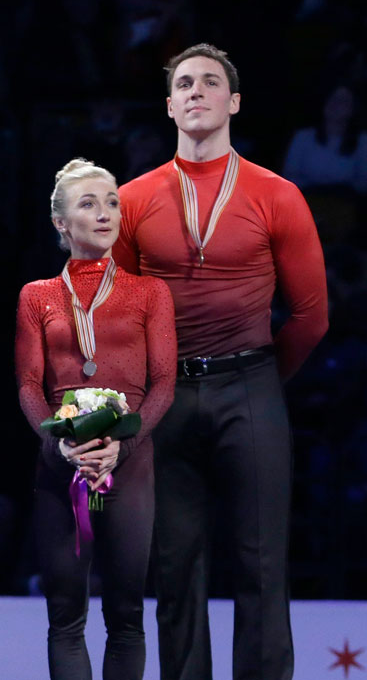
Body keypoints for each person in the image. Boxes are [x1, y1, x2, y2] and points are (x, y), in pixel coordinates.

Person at [113, 44, 328, 680]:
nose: (197, 90)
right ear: (170, 104)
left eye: (211, 82)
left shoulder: (278, 195)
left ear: (233, 102)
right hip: (167, 397)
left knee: (261, 563)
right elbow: (115, 318)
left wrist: (256, 380)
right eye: (184, 83)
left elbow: (312, 316)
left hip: (251, 384)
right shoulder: (132, 199)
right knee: (176, 567)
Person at [16, 158, 177, 679]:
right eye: (89, 204)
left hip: (130, 468)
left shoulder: (150, 292)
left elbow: (164, 384)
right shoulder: (37, 296)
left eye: (112, 202)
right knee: (65, 617)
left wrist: (122, 449)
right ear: (61, 223)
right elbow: (28, 385)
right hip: (62, 469)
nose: (105, 213)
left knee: (127, 616)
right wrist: (58, 447)